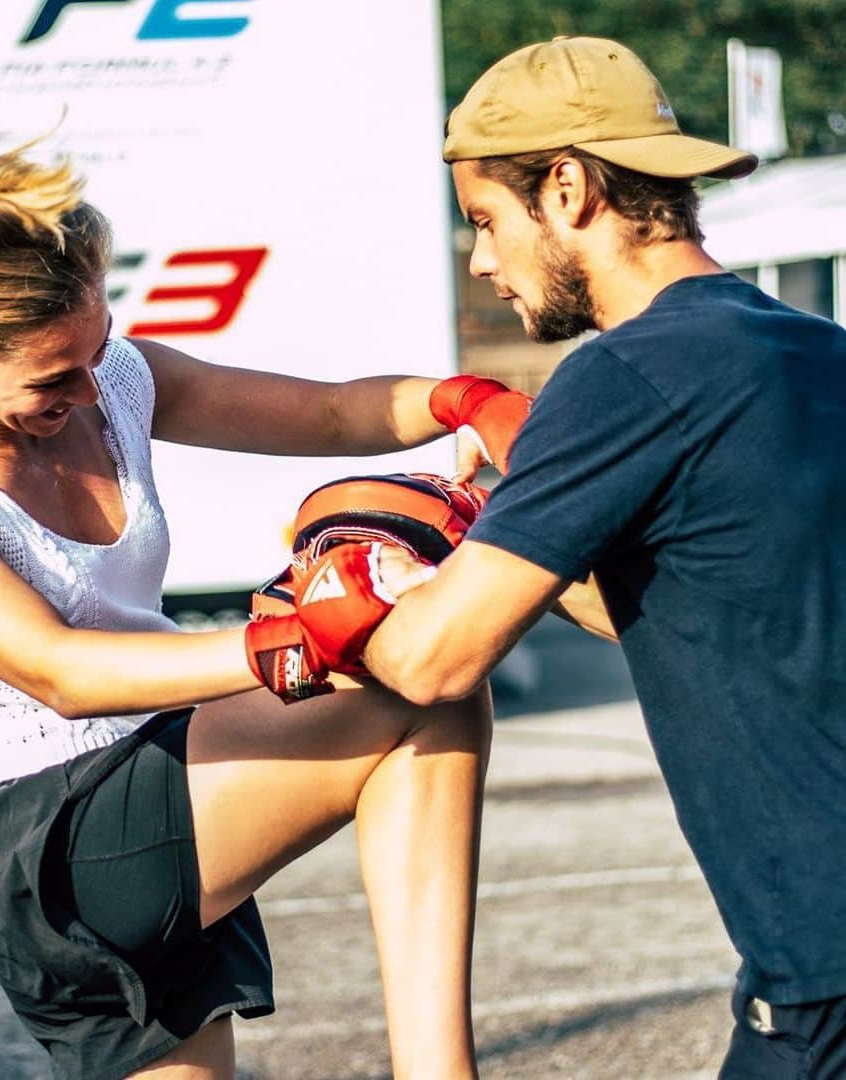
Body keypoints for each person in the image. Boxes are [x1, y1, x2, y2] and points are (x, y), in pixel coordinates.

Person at [0, 75, 519, 1079]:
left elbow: (324, 416)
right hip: (56, 842)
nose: (83, 389)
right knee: (427, 681)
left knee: (433, 682)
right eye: (48, 380)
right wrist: (288, 642)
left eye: (94, 350)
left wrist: (467, 399)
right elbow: (62, 672)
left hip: (167, 782)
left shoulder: (112, 378)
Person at [311, 34, 846, 1079]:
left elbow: (431, 662)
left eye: (485, 222)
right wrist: (513, 535)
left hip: (825, 966)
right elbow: (690, 602)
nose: (480, 262)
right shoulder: (814, 350)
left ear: (568, 188)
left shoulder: (623, 375)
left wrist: (376, 561)